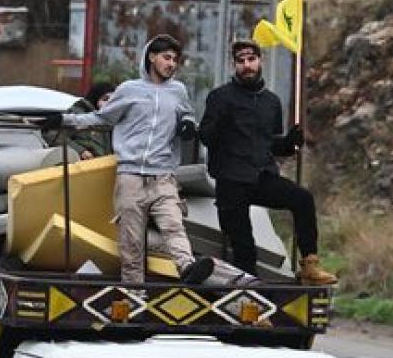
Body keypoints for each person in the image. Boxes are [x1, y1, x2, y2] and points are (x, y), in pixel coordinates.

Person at [36, 34, 214, 285]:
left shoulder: (178, 91)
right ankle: (134, 299)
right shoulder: (129, 90)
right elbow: (102, 118)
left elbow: (187, 114)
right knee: (131, 243)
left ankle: (187, 267)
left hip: (163, 175)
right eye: (166, 58)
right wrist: (65, 121)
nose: (172, 64)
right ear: (151, 57)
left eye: (175, 59)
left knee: (173, 225)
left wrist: (187, 125)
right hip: (130, 176)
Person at [199, 39, 337, 285]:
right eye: (240, 61)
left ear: (261, 61)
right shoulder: (220, 97)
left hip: (261, 176)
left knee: (303, 199)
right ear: (233, 65)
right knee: (244, 251)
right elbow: (206, 137)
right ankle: (249, 309)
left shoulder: (271, 102)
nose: (247, 65)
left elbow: (270, 145)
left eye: (251, 59)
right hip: (231, 181)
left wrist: (290, 142)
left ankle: (310, 265)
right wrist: (220, 122)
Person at [69, 82, 116, 159]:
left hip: (107, 166)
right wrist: (81, 151)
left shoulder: (114, 119)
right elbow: (53, 136)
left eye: (113, 100)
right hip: (82, 166)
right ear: (95, 98)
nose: (109, 103)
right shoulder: (77, 115)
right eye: (105, 99)